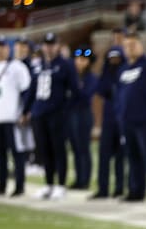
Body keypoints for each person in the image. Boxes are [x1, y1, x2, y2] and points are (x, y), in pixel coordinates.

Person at [24, 32, 79, 200]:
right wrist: (25, 110)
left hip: (56, 114)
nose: (48, 48)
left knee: (58, 149)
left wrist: (64, 109)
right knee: (44, 150)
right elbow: (32, 90)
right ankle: (48, 184)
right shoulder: (38, 65)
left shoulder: (66, 65)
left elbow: (75, 90)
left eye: (52, 44)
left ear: (58, 45)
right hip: (39, 113)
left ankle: (60, 185)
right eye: (46, 44)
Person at [0, 35, 31, 197]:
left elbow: (26, 91)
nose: (0, 50)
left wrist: (24, 112)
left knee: (17, 152)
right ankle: (1, 185)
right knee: (1, 153)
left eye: (2, 47)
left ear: (8, 49)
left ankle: (19, 185)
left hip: (12, 117)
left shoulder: (17, 67)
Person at [118, 32, 146, 203]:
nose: (129, 49)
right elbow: (120, 93)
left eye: (133, 45)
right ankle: (136, 190)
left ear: (140, 45)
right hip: (127, 120)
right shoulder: (123, 69)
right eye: (126, 46)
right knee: (132, 157)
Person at [90, 47, 125, 199]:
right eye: (111, 58)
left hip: (123, 118)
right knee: (104, 155)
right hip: (109, 119)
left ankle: (119, 188)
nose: (114, 61)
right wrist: (97, 124)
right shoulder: (106, 74)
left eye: (116, 58)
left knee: (120, 157)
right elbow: (99, 94)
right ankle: (103, 188)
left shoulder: (125, 73)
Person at [68, 47, 98, 190]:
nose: (79, 62)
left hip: (83, 114)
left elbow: (85, 96)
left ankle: (85, 179)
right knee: (75, 148)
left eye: (83, 60)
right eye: (78, 59)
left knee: (83, 148)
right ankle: (78, 178)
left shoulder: (91, 78)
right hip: (72, 114)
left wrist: (74, 91)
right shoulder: (72, 77)